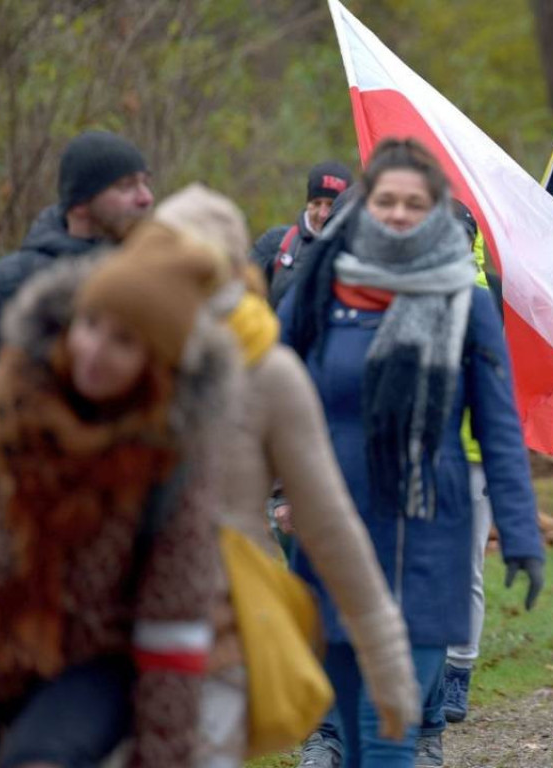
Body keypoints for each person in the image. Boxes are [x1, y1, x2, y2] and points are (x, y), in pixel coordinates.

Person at [277, 138, 545, 768]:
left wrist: (522, 532)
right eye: (386, 201)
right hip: (334, 535)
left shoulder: (468, 302)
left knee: (387, 731)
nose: (398, 214)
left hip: (429, 538)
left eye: (414, 203)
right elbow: (267, 400)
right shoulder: (318, 294)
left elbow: (500, 429)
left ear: (434, 212)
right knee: (348, 724)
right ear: (366, 206)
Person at [153, 185, 422, 765]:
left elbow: (331, 525)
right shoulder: (112, 348)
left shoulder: (269, 369)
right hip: (112, 627)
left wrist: (385, 649)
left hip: (217, 623)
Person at [0, 223, 239, 766]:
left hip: (84, 662)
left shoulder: (172, 458)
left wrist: (161, 755)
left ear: (155, 361)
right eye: (90, 324)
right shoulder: (1, 398)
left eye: (124, 342)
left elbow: (174, 621)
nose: (94, 350)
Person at [0, 130, 154, 385]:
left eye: (145, 183)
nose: (146, 197)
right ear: (80, 204)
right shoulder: (9, 282)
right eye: (126, 186)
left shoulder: (153, 276)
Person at [250, 161, 354, 287]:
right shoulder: (275, 242)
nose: (322, 214)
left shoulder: (356, 251)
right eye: (316, 203)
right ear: (307, 203)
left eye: (330, 205)